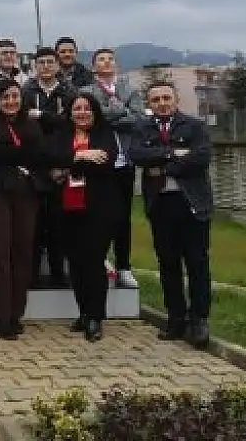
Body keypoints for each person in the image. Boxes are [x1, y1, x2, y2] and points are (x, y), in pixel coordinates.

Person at [130, 81, 214, 349]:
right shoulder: (141, 127)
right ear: (149, 104)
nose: (162, 103)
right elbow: (137, 155)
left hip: (192, 204)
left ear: (176, 100)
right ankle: (176, 318)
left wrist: (164, 168)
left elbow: (201, 158)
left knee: (197, 262)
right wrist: (172, 153)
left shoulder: (195, 126)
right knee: (168, 263)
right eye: (156, 100)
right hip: (161, 204)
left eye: (167, 98)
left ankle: (199, 319)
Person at [0, 78, 47, 339]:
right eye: (5, 97)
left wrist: (4, 151)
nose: (11, 101)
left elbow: (39, 156)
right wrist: (19, 154)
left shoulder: (32, 126)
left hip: (26, 193)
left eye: (15, 96)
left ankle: (15, 312)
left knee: (22, 252)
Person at [48, 92, 119, 342]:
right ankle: (83, 312)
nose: (82, 112)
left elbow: (105, 161)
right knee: (76, 264)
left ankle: (95, 316)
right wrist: (82, 155)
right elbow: (51, 159)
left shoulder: (105, 134)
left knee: (94, 262)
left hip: (99, 208)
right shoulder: (61, 136)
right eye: (77, 108)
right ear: (70, 113)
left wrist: (69, 162)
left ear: (95, 111)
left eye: (87, 108)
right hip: (67, 208)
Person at [81, 48, 146, 290]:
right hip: (98, 161)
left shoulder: (130, 90)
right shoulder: (86, 92)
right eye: (101, 59)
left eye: (110, 59)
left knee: (123, 217)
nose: (106, 62)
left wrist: (110, 114)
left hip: (125, 163)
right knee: (97, 216)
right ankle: (99, 261)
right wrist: (121, 110)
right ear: (93, 66)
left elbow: (139, 119)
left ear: (116, 64)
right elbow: (91, 119)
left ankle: (124, 266)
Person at [23, 47, 79, 287]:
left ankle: (58, 273)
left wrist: (42, 116)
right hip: (34, 166)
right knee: (34, 224)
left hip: (61, 166)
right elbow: (24, 123)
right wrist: (52, 119)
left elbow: (70, 124)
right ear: (35, 66)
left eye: (49, 62)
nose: (45, 66)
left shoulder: (69, 92)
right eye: (41, 62)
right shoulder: (26, 92)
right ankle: (32, 275)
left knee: (59, 223)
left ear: (57, 65)